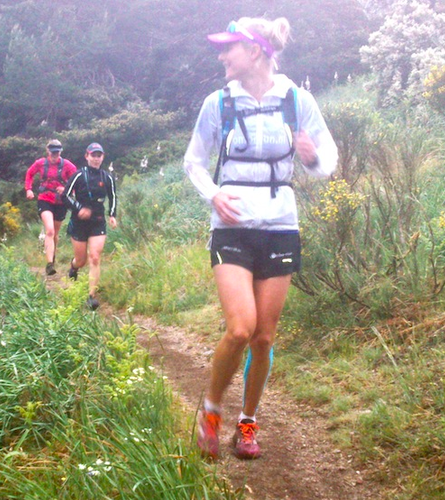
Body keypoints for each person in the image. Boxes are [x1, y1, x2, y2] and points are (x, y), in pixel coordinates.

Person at [183, 17, 338, 460]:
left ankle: (246, 424)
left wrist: (312, 158)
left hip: (280, 225)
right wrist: (213, 195)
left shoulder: (296, 99)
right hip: (231, 228)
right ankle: (211, 411)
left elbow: (328, 157)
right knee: (239, 329)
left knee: (264, 338)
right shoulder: (217, 103)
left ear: (254, 51)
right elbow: (193, 161)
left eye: (228, 47)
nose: (221, 56)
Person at [62, 142, 118, 311]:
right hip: (79, 223)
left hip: (98, 221)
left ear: (103, 157)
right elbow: (64, 195)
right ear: (87, 156)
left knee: (95, 257)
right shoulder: (79, 175)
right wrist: (79, 209)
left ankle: (91, 296)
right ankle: (73, 267)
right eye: (93, 155)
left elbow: (113, 197)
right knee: (81, 260)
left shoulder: (107, 177)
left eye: (99, 155)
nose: (96, 158)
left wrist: (112, 215)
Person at [24, 139, 78, 275]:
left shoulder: (68, 166)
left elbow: (77, 181)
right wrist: (28, 189)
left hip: (60, 202)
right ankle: (49, 264)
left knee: (55, 233)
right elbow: (29, 174)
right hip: (45, 199)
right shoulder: (40, 163)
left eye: (58, 153)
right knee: (49, 230)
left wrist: (66, 189)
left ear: (61, 152)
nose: (55, 156)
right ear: (48, 151)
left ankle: (52, 256)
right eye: (53, 153)